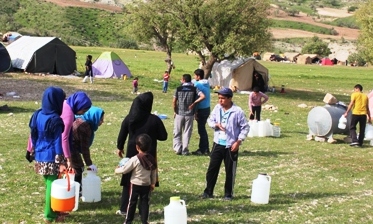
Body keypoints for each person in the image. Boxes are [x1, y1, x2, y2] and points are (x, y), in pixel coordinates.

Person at [116, 92, 167, 216]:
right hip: (149, 154)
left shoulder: (130, 117)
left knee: (129, 180)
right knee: (147, 180)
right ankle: (143, 210)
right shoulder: (154, 119)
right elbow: (163, 136)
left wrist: (120, 147)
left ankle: (124, 208)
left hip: (132, 153)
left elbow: (122, 132)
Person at [202, 87, 249, 200]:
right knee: (212, 169)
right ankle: (208, 192)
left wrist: (238, 141)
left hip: (231, 145)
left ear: (229, 98)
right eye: (219, 98)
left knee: (230, 171)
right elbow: (210, 120)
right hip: (218, 143)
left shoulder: (237, 111)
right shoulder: (217, 108)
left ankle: (228, 194)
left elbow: (245, 127)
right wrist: (216, 125)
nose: (220, 101)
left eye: (223, 98)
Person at [29, 86, 67, 223]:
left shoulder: (37, 114)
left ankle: (56, 211)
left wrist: (34, 151)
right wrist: (61, 162)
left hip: (40, 154)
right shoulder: (55, 119)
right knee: (52, 186)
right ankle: (50, 215)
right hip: (51, 156)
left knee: (49, 184)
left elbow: (33, 135)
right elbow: (58, 142)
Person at [115, 134, 157, 224]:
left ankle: (128, 221)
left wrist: (117, 170)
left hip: (135, 184)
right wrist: (153, 183)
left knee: (132, 203)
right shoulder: (151, 159)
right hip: (147, 184)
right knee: (145, 203)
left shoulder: (135, 159)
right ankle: (145, 221)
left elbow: (125, 169)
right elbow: (154, 172)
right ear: (149, 147)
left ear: (137, 147)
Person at [71, 106, 105, 192]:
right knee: (78, 168)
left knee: (75, 167)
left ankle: (76, 189)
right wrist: (89, 164)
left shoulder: (80, 120)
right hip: (71, 147)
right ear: (94, 117)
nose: (102, 122)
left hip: (70, 146)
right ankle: (76, 191)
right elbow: (84, 147)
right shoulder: (85, 127)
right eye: (100, 119)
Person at [173, 74, 205, 155]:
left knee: (177, 131)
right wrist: (194, 103)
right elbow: (202, 96)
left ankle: (177, 148)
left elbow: (174, 101)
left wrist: (175, 110)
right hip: (190, 114)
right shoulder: (194, 89)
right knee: (187, 132)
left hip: (179, 113)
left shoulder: (178, 88)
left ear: (183, 80)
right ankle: (185, 149)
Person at [61, 91, 92, 170]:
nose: (82, 114)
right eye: (83, 111)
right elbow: (64, 137)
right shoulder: (69, 115)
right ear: (78, 105)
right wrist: (68, 158)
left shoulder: (65, 103)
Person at [191, 69, 211, 156]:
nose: (194, 77)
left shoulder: (198, 84)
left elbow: (192, 83)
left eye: (195, 75)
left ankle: (204, 149)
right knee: (202, 129)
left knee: (201, 130)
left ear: (198, 76)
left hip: (201, 109)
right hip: (207, 108)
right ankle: (204, 148)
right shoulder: (206, 83)